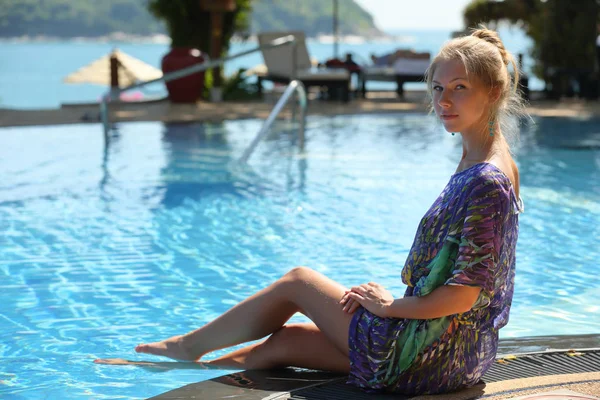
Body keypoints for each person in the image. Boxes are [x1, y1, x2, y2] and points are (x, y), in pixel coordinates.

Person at [95, 27, 527, 396]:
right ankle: (190, 370)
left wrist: (388, 306)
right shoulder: (489, 159)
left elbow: (465, 293)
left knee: (298, 282)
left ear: (492, 91)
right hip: (458, 356)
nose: (444, 100)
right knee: (288, 341)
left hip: (429, 355)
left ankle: (186, 347)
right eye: (438, 88)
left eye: (459, 88)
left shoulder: (486, 180)